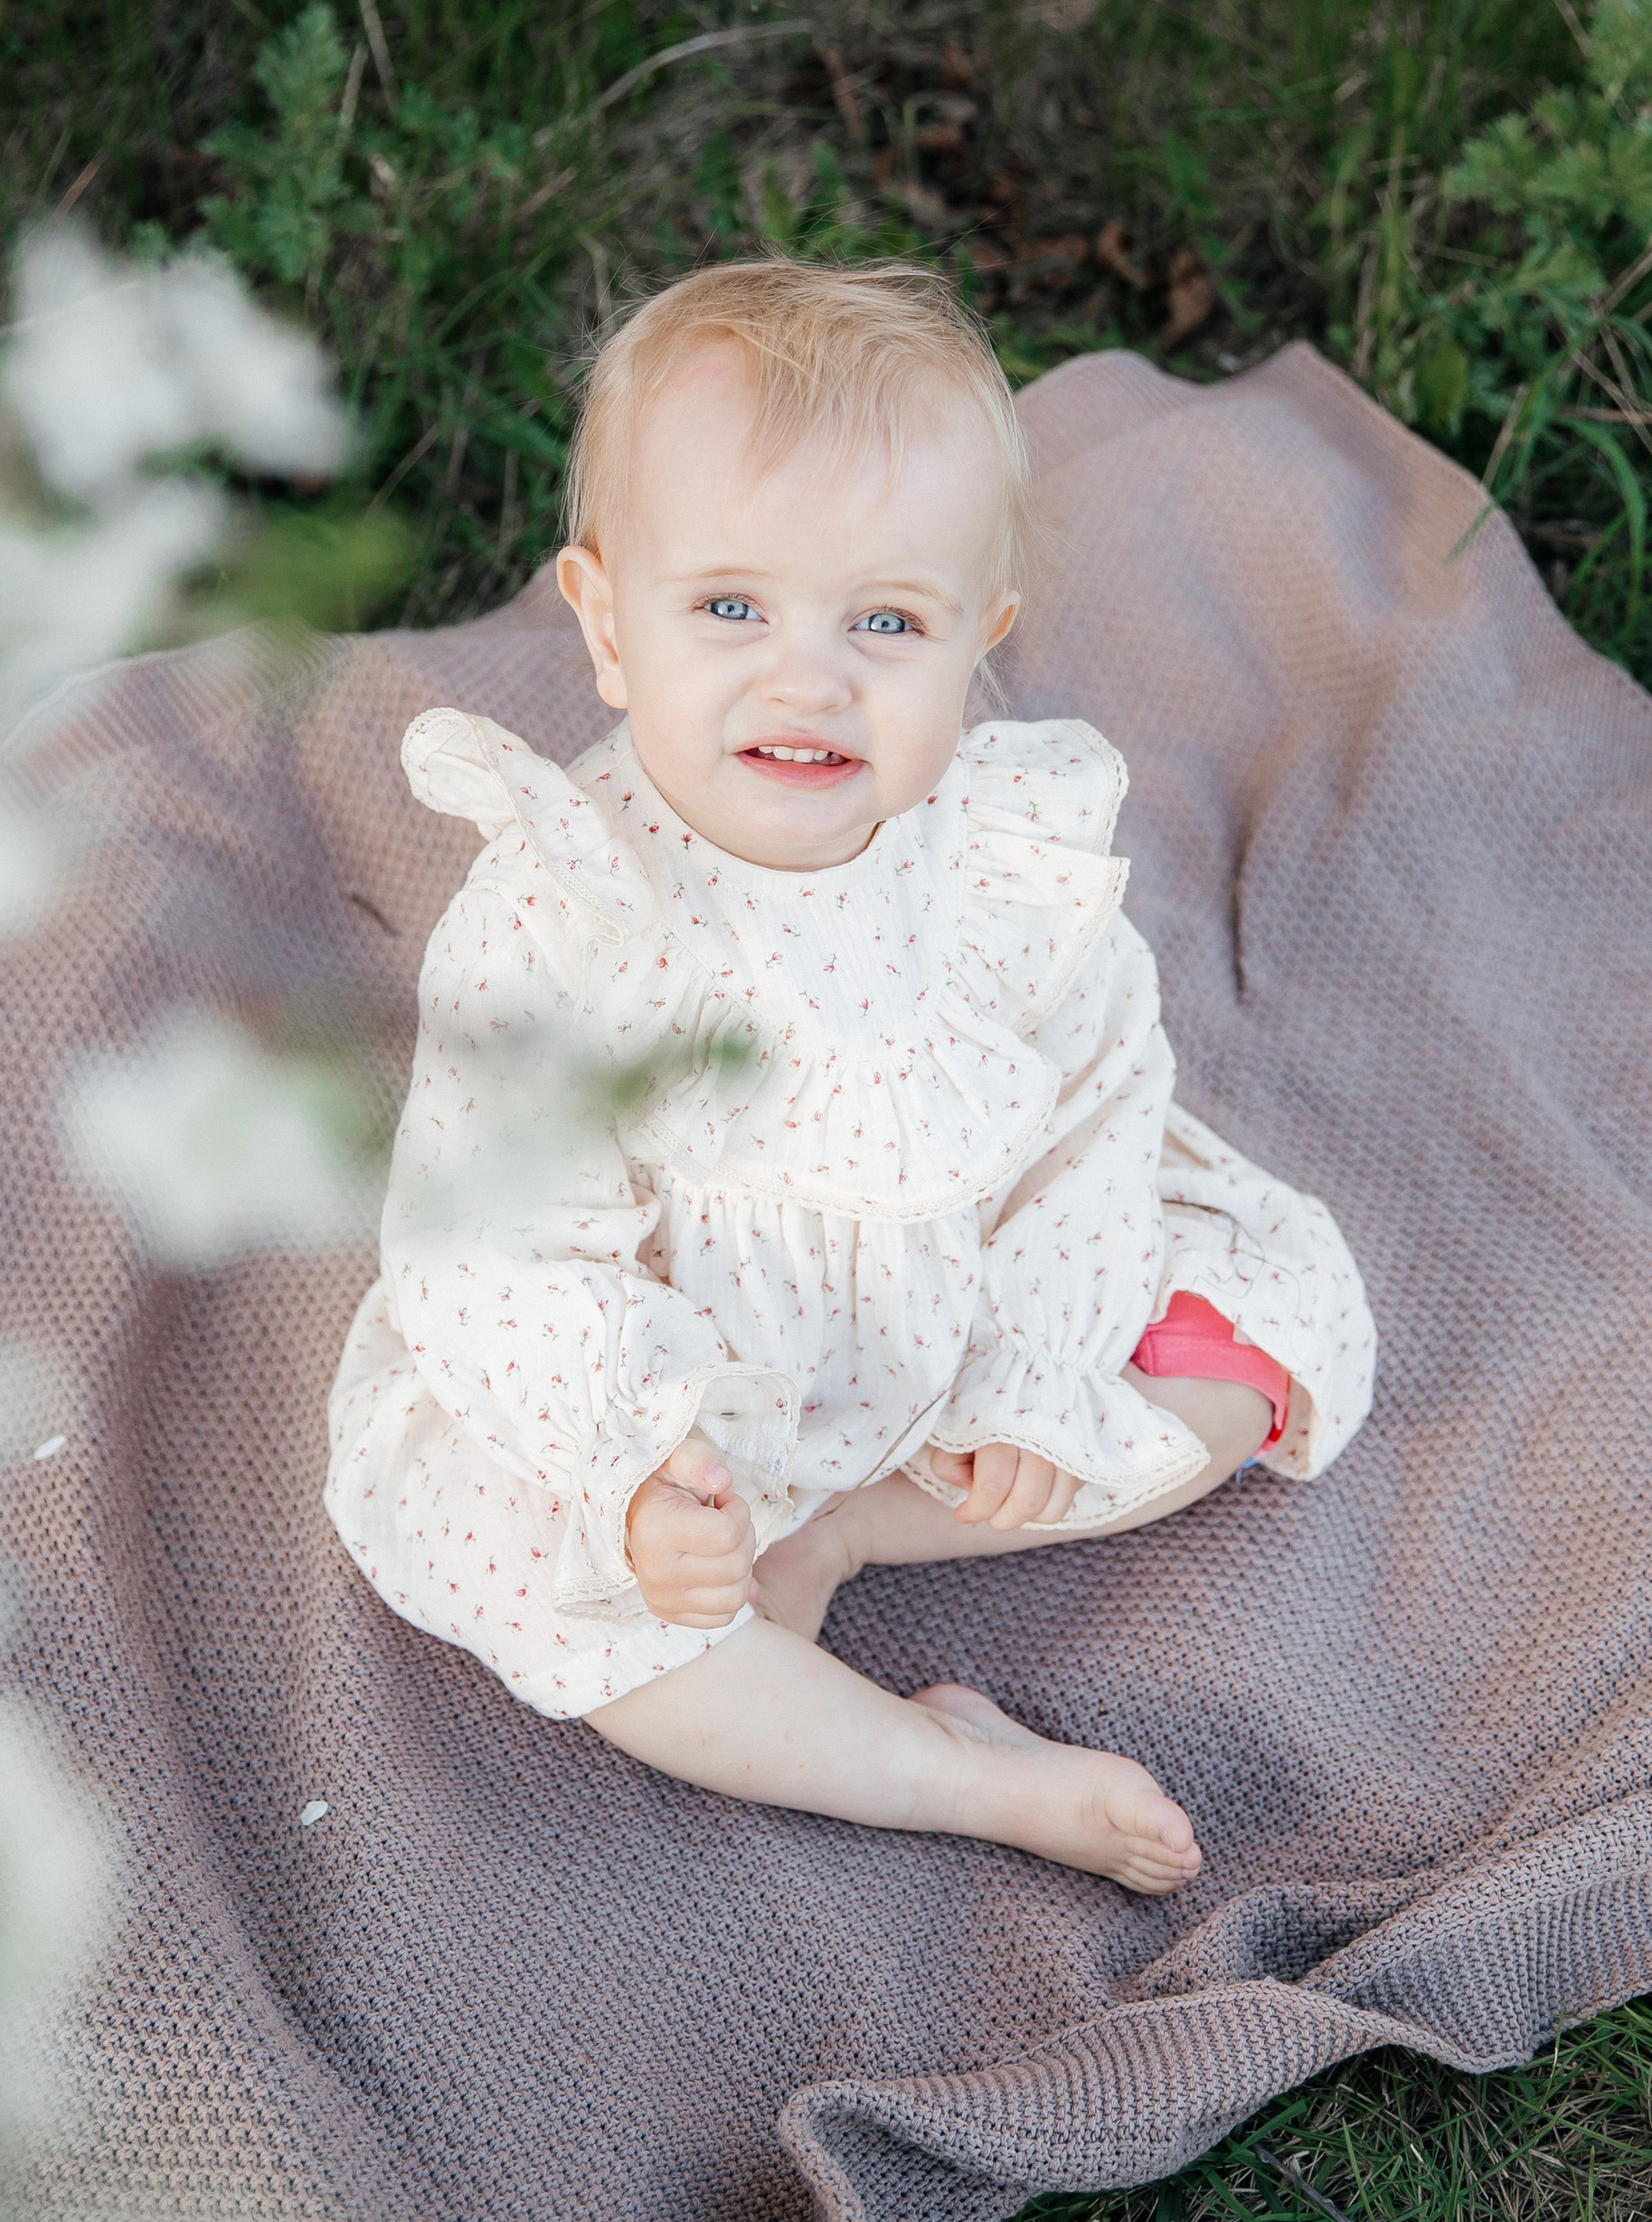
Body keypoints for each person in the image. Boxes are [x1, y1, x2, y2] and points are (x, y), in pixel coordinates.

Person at [327, 260, 1375, 1891]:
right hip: (690, 1390)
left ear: (980, 644)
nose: (808, 679)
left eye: (885, 623)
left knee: (1260, 1341)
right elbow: (493, 1242)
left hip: (949, 1315)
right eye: (730, 608)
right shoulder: (566, 912)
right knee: (567, 1588)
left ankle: (868, 1527)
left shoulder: (1001, 863)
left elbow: (1093, 1113)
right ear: (607, 624)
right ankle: (941, 1773)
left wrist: (1035, 1364)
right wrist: (636, 1463)